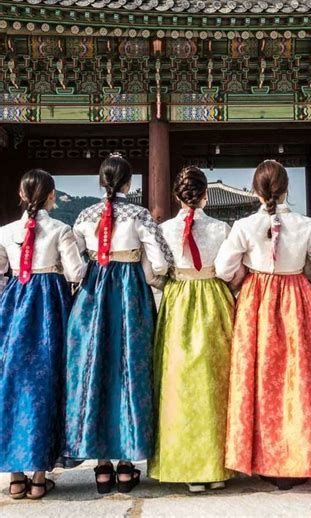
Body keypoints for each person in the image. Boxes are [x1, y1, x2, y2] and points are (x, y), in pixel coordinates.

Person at [215, 160, 311, 490]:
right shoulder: (306, 224)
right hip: (297, 296)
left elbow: (223, 267)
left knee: (258, 377)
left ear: (255, 191)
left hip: (257, 299)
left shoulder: (243, 226)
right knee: (299, 379)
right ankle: (300, 456)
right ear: (287, 189)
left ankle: (260, 457)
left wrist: (245, 274)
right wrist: (302, 274)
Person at [64, 154, 172, 494]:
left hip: (95, 292)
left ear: (101, 182)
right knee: (130, 369)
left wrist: (89, 274)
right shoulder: (140, 215)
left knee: (94, 368)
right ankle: (127, 465)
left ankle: (101, 466)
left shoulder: (84, 215)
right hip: (129, 295)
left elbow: (74, 259)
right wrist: (152, 278)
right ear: (128, 184)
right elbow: (160, 259)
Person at [149, 166, 236, 493]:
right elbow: (229, 271)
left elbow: (153, 271)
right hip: (213, 298)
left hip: (178, 301)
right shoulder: (222, 228)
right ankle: (216, 466)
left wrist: (169, 282)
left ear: (176, 195)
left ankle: (185, 466)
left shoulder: (163, 229)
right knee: (216, 381)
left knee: (177, 382)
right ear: (205, 195)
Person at [0, 169, 85, 500]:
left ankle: (16, 476)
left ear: (21, 195)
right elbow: (76, 271)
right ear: (52, 196)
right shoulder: (61, 229)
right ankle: (39, 476)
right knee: (46, 383)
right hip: (49, 303)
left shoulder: (5, 231)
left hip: (15, 303)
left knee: (14, 383)